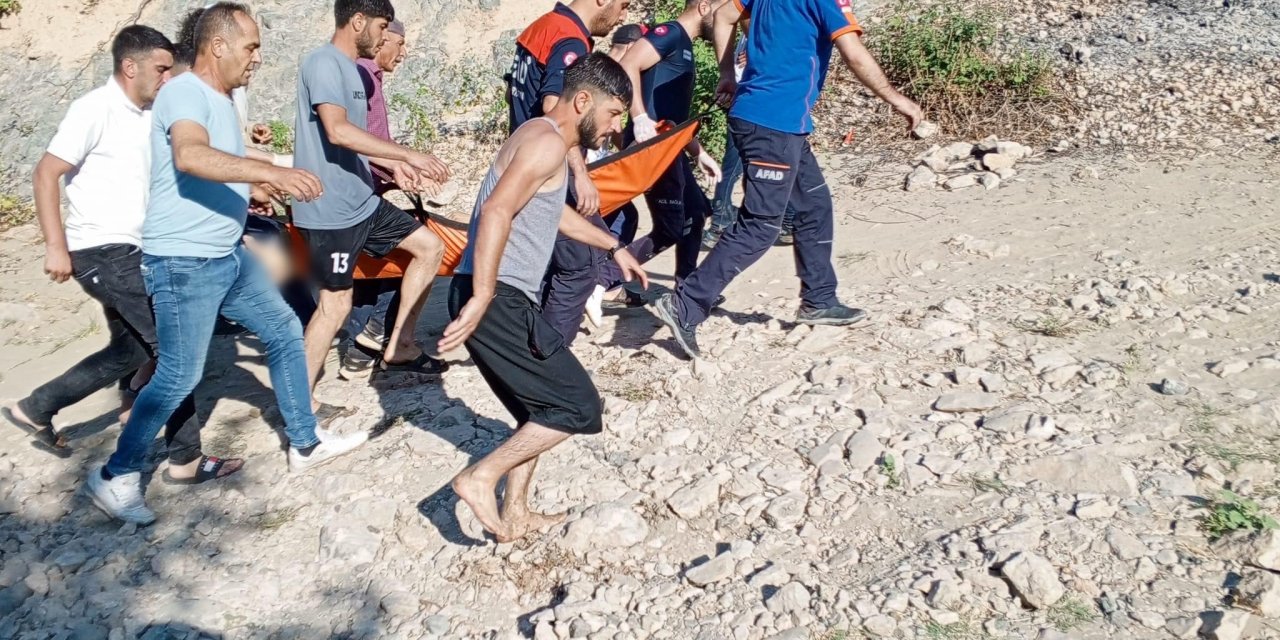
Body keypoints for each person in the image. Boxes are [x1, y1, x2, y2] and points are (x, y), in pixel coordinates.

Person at [88, 3, 369, 525]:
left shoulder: (218, 97)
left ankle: (305, 443)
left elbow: (209, 173)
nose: (257, 57)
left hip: (225, 254)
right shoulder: (183, 92)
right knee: (177, 374)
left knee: (285, 332)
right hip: (183, 261)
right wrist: (271, 172)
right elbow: (190, 157)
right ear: (217, 46)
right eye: (251, 46)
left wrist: (253, 188)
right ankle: (115, 475)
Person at [5, 26, 235, 483]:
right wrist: (56, 246)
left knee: (128, 349)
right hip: (103, 250)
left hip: (135, 249)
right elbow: (46, 173)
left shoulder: (148, 114)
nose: (168, 77)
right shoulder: (93, 109)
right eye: (161, 68)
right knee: (176, 349)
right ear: (130, 67)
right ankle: (186, 459)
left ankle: (36, 407)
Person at [441, 54, 647, 543]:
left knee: (538, 408)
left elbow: (551, 213)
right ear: (583, 101)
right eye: (614, 113)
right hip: (496, 296)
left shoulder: (539, 135)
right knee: (577, 408)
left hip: (501, 296)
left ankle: (515, 514)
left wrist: (613, 246)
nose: (616, 127)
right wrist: (484, 295)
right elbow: (497, 211)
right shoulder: (547, 145)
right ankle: (479, 477)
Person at [651, 0, 923, 359]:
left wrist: (727, 73)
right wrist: (897, 99)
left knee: (813, 204)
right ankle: (686, 304)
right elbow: (854, 55)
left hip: (780, 124)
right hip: (772, 124)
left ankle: (819, 300)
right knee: (761, 225)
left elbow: (723, 16)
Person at [293, 0, 451, 387]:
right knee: (335, 306)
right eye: (383, 27)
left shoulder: (352, 71)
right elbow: (337, 131)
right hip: (330, 210)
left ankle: (400, 346)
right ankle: (301, 408)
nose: (385, 36)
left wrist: (394, 167)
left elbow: (357, 142)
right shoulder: (324, 63)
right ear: (358, 21)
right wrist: (408, 155)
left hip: (362, 200)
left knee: (429, 248)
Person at [585, 0, 722, 327]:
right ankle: (601, 280)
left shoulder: (683, 45)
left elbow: (673, 114)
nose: (724, 21)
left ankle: (688, 288)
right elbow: (630, 62)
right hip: (654, 146)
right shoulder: (671, 33)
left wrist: (698, 152)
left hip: (669, 145)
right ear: (704, 7)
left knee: (697, 210)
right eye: (721, 11)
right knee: (670, 227)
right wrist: (640, 117)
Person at [506, 0, 630, 345]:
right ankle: (549, 355)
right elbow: (554, 109)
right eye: (623, 5)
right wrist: (580, 174)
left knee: (553, 260)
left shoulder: (543, 26)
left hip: (526, 160)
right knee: (578, 267)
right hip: (550, 167)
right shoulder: (570, 40)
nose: (623, 16)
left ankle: (534, 340)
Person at [341, 18, 410, 379]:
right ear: (381, 40)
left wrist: (406, 162)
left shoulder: (372, 78)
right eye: (398, 43)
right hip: (357, 193)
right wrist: (399, 166)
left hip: (370, 189)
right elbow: (356, 141)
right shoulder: (361, 77)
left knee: (371, 269)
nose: (403, 52)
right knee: (409, 254)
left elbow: (378, 141)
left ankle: (360, 348)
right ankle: (373, 335)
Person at [702, 15, 795, 249]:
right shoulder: (750, 32)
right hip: (746, 103)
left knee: (748, 165)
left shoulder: (760, 29)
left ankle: (724, 223)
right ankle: (725, 222)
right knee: (744, 164)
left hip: (752, 105)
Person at [594, 23, 646, 250]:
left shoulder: (597, 65)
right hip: (591, 164)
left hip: (594, 160)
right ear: (632, 47)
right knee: (624, 216)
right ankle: (605, 275)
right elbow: (613, 129)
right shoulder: (613, 77)